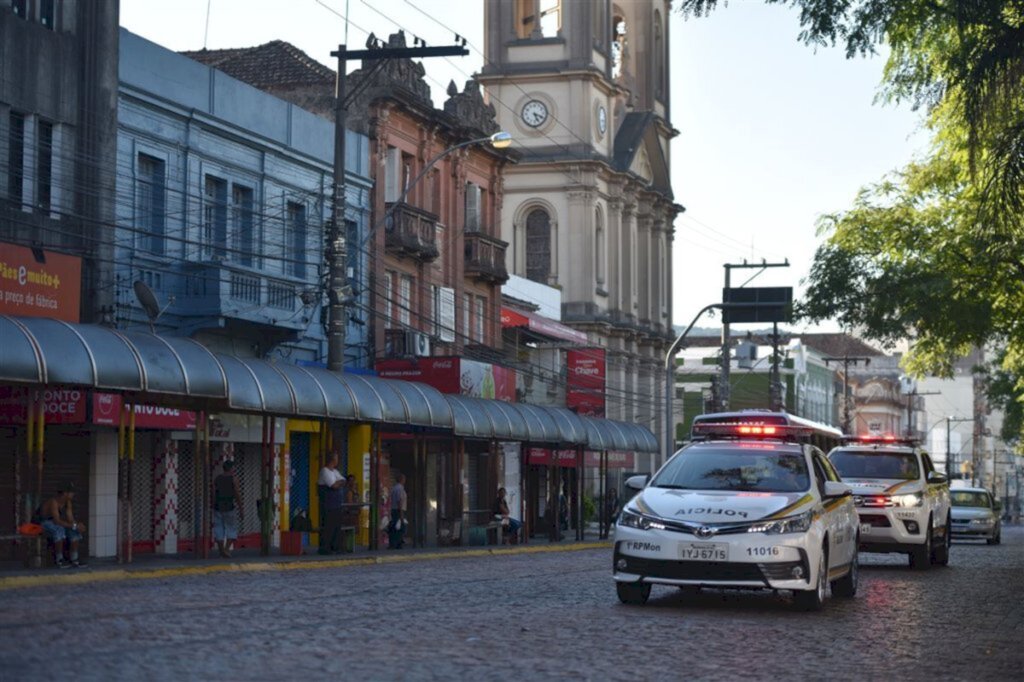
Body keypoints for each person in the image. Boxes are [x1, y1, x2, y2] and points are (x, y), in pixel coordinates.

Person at [37, 484, 86, 568]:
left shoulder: (68, 502)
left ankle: (74, 559)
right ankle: (59, 559)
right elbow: (57, 521)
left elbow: (70, 518)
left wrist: (76, 526)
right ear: (65, 493)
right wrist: (73, 525)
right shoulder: (54, 502)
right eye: (71, 492)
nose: (73, 494)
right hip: (44, 522)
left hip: (57, 522)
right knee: (59, 530)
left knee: (74, 532)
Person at [213, 460, 242, 558]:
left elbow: (213, 493)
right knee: (231, 528)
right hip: (229, 506)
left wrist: (213, 504)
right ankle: (226, 549)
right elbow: (237, 494)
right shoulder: (234, 479)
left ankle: (221, 550)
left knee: (218, 528)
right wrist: (241, 507)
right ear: (232, 468)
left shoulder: (217, 479)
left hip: (218, 507)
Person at [318, 452, 346, 554]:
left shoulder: (335, 472)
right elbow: (333, 485)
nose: (338, 461)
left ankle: (335, 547)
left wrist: (339, 483)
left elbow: (343, 480)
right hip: (328, 504)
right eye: (337, 458)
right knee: (328, 527)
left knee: (336, 526)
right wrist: (338, 483)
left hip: (336, 504)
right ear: (333, 460)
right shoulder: (325, 471)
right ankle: (325, 548)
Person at [388, 473, 407, 549]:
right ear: (402, 480)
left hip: (394, 510)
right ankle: (397, 543)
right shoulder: (400, 489)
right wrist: (401, 514)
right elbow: (400, 501)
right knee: (400, 527)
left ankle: (394, 542)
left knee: (395, 527)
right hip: (399, 510)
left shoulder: (394, 488)